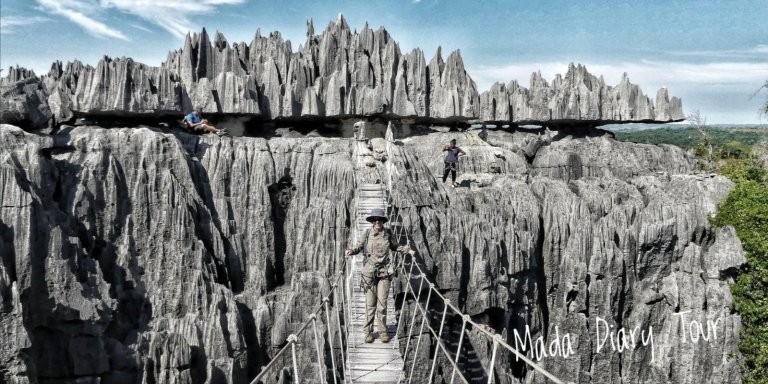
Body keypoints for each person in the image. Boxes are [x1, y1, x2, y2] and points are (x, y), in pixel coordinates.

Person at [345, 208, 415, 343]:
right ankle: (368, 332)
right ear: (372, 221)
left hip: (385, 272)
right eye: (375, 220)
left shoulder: (388, 233)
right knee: (370, 304)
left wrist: (408, 250)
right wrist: (351, 251)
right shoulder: (366, 233)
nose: (377, 222)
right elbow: (358, 247)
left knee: (382, 305)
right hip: (369, 272)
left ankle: (383, 332)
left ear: (383, 221)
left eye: (380, 220)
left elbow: (396, 247)